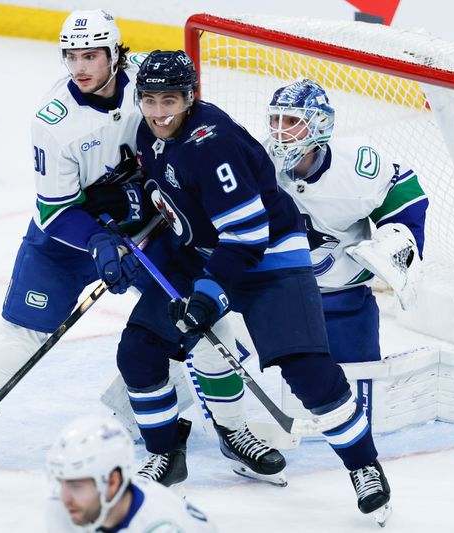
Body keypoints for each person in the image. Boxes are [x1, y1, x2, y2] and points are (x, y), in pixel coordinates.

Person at [0, 10, 284, 489]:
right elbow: (54, 210)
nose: (81, 67)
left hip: (147, 230)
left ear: (116, 54)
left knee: (205, 323)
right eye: (72, 56)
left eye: (91, 55)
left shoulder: (147, 89)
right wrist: (97, 241)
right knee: (21, 336)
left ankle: (233, 431)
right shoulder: (54, 121)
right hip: (68, 241)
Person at [122, 50, 391, 523]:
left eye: (170, 100)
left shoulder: (213, 144)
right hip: (205, 251)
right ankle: (166, 452)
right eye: (150, 100)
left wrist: (208, 296)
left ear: (190, 97)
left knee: (308, 371)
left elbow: (246, 237)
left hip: (270, 257)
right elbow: (166, 182)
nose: (159, 111)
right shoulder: (150, 130)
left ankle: (364, 467)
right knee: (138, 351)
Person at [46, 414, 216, 532]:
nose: (64, 498)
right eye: (61, 483)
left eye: (76, 487)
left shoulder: (162, 525)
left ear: (112, 481)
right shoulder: (64, 509)